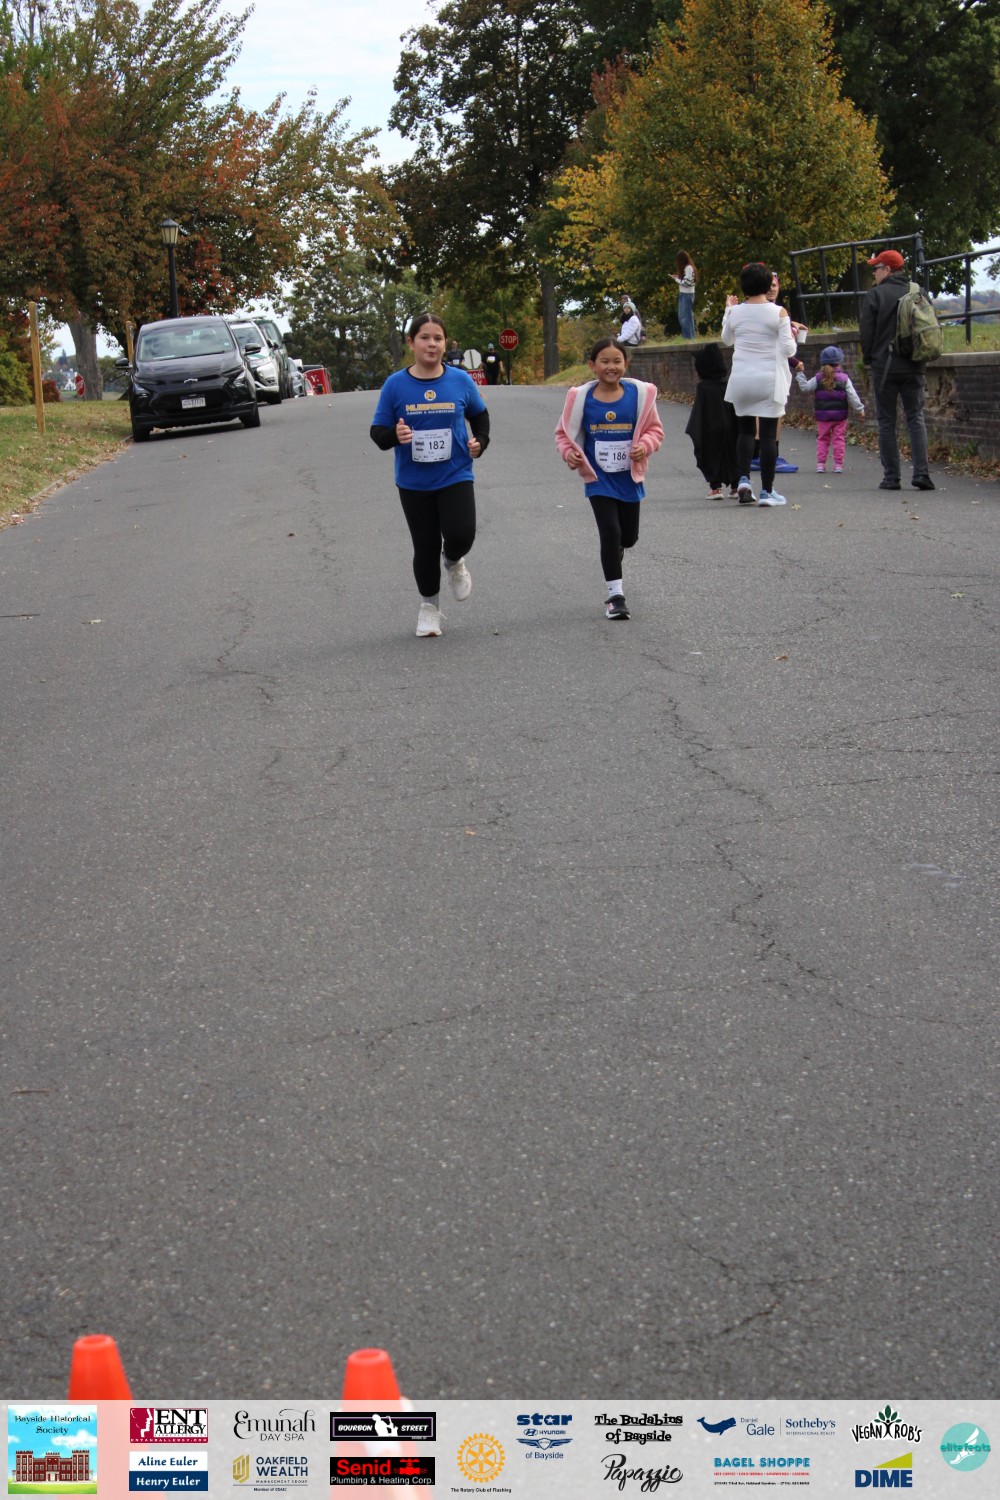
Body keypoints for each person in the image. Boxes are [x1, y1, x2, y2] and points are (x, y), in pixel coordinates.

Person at [370, 313, 490, 637]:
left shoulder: (460, 380)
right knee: (424, 546)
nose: (431, 344)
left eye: (438, 338)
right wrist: (394, 435)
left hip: (455, 473)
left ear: (445, 343)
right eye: (424, 337)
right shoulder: (395, 385)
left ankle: (453, 560)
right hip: (413, 481)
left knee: (462, 534)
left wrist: (481, 441)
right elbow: (378, 433)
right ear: (411, 342)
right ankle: (429, 610)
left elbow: (480, 415)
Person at [555, 338, 664, 620]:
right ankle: (615, 597)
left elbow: (655, 431)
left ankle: (619, 550)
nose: (611, 366)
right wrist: (569, 454)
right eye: (604, 361)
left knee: (628, 537)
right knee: (610, 532)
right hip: (598, 479)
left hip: (629, 478)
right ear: (592, 365)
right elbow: (563, 434)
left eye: (617, 361)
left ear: (626, 364)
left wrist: (645, 446)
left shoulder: (639, 396)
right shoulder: (581, 398)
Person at [721, 261, 798, 506]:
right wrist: (794, 334)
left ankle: (744, 479)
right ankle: (767, 491)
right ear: (767, 285)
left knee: (745, 431)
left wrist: (727, 311)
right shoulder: (779, 312)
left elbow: (726, 339)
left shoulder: (735, 312)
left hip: (741, 378)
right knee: (767, 435)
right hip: (768, 379)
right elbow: (789, 349)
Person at [860, 248, 934, 491]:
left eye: (876, 269)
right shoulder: (918, 291)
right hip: (914, 364)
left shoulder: (876, 295)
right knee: (916, 418)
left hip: (885, 366)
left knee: (886, 421)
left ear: (888, 269)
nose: (874, 273)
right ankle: (922, 473)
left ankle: (892, 478)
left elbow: (867, 332)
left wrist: (869, 359)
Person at [794, 345, 865, 473]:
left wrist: (800, 373)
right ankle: (838, 465)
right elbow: (852, 395)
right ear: (838, 362)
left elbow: (805, 387)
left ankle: (821, 464)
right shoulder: (844, 379)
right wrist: (860, 409)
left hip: (823, 416)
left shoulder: (818, 378)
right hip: (840, 416)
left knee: (822, 439)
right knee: (839, 439)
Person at [685, 343, 739, 499]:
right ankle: (736, 486)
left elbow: (699, 412)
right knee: (733, 454)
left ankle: (716, 488)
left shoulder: (703, 387)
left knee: (710, 456)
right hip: (731, 426)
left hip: (710, 428)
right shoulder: (728, 384)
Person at [671, 252, 697, 339]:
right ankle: (688, 336)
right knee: (683, 316)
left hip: (687, 294)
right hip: (684, 294)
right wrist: (678, 278)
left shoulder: (689, 268)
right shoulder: (687, 268)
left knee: (686, 317)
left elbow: (687, 283)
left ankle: (689, 337)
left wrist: (676, 280)